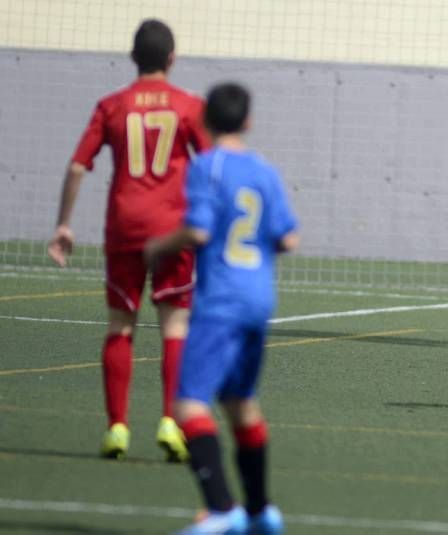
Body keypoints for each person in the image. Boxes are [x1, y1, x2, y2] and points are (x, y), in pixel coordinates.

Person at [47, 19, 212, 461]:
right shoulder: (188, 106)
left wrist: (64, 223)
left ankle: (117, 427)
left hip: (123, 228)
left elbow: (79, 165)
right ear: (172, 59)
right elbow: (213, 166)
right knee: (175, 326)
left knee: (120, 326)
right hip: (172, 230)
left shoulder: (111, 105)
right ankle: (170, 421)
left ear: (133, 58)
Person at [144, 82, 298, 535]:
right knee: (240, 403)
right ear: (248, 122)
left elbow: (198, 231)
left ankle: (220, 507)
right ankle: (259, 512)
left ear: (205, 120)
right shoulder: (265, 171)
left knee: (189, 404)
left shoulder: (206, 167)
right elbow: (288, 238)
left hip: (221, 301)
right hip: (259, 300)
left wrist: (157, 247)